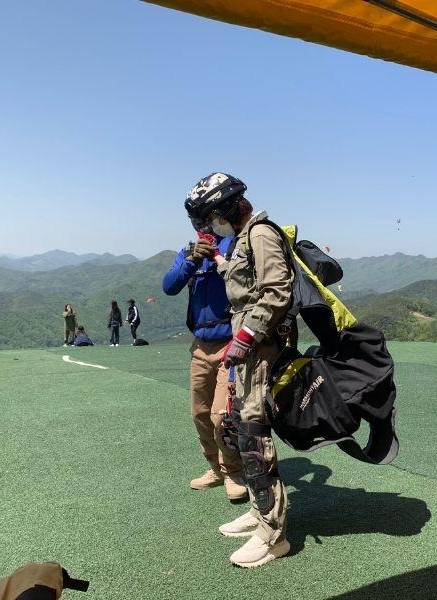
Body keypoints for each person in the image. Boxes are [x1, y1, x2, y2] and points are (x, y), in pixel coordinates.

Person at [187, 172, 292, 568]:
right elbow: (244, 284)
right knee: (245, 431)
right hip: (249, 352)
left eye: (212, 217)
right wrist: (219, 261)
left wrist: (244, 338)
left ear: (228, 208)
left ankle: (273, 535)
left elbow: (277, 289)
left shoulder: (261, 234)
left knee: (254, 435)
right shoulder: (245, 237)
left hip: (259, 350)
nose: (211, 225)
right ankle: (259, 511)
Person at [162, 202, 247, 503]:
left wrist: (218, 258)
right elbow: (169, 286)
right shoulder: (187, 252)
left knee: (221, 414)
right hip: (199, 346)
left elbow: (243, 283)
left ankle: (234, 471)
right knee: (199, 413)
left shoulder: (234, 247)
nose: (203, 226)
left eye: (207, 219)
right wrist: (191, 261)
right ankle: (215, 469)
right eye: (197, 221)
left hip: (229, 344)